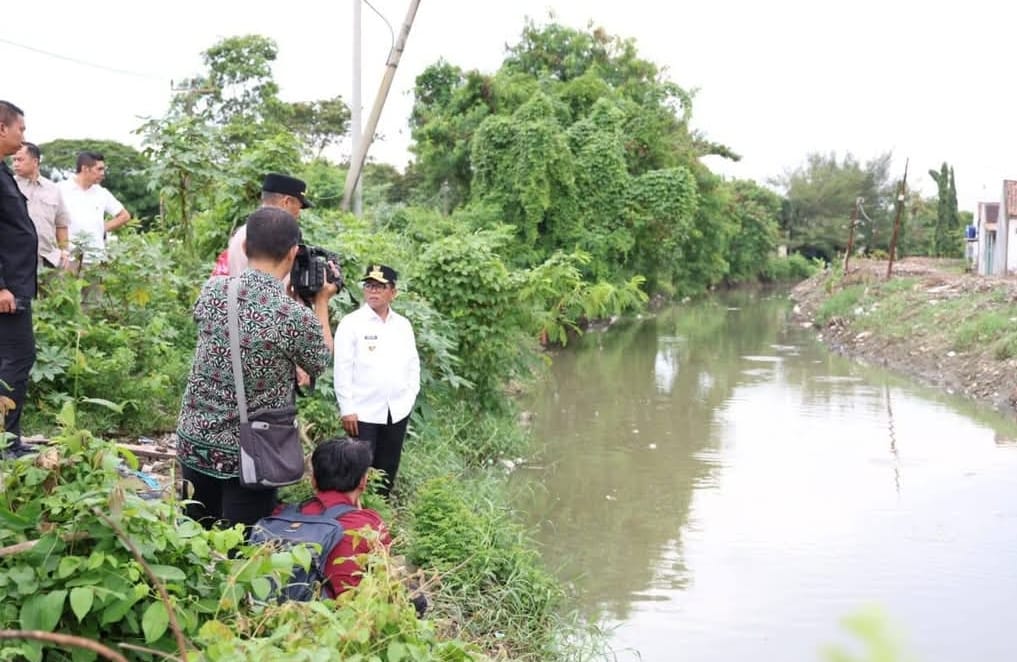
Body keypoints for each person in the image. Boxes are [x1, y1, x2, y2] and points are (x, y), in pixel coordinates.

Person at [176, 207, 337, 529]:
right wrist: (320, 304)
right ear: (293, 254)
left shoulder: (213, 291)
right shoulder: (293, 316)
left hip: (196, 440)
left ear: (246, 247)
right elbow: (320, 361)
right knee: (242, 552)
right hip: (251, 455)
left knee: (194, 538)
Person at [333, 264, 420, 498]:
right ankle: (359, 512)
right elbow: (342, 369)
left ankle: (381, 514)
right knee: (360, 466)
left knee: (388, 466)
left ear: (393, 292)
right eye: (369, 286)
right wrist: (347, 408)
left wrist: (409, 397)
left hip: (397, 409)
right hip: (363, 412)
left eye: (380, 287)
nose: (373, 291)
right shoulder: (352, 323)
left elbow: (413, 365)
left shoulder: (402, 325)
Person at [298, 437, 392, 597]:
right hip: (346, 615)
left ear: (313, 480)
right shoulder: (368, 525)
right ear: (363, 481)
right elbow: (388, 577)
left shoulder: (285, 514)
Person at [0, 100, 37, 459]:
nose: (23, 136)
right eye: (20, 129)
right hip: (7, 289)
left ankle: (8, 440)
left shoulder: (3, 171)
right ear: (2, 128)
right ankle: (6, 444)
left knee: (10, 360)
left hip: (15, 284)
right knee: (17, 359)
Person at [217, 173, 312, 277]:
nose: (298, 214)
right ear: (287, 202)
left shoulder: (245, 231)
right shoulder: (276, 236)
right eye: (298, 207)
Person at [57, 150, 130, 263]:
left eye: (103, 169)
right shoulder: (59, 189)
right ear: (85, 169)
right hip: (69, 258)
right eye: (99, 169)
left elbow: (124, 216)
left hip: (96, 259)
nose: (102, 173)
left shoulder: (102, 193)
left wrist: (101, 227)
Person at [12, 142, 72, 272]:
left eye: (20, 159)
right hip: (18, 261)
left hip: (49, 260)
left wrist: (64, 251)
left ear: (35, 161)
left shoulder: (53, 189)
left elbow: (61, 224)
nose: (15, 164)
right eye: (14, 160)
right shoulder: (9, 186)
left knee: (53, 292)